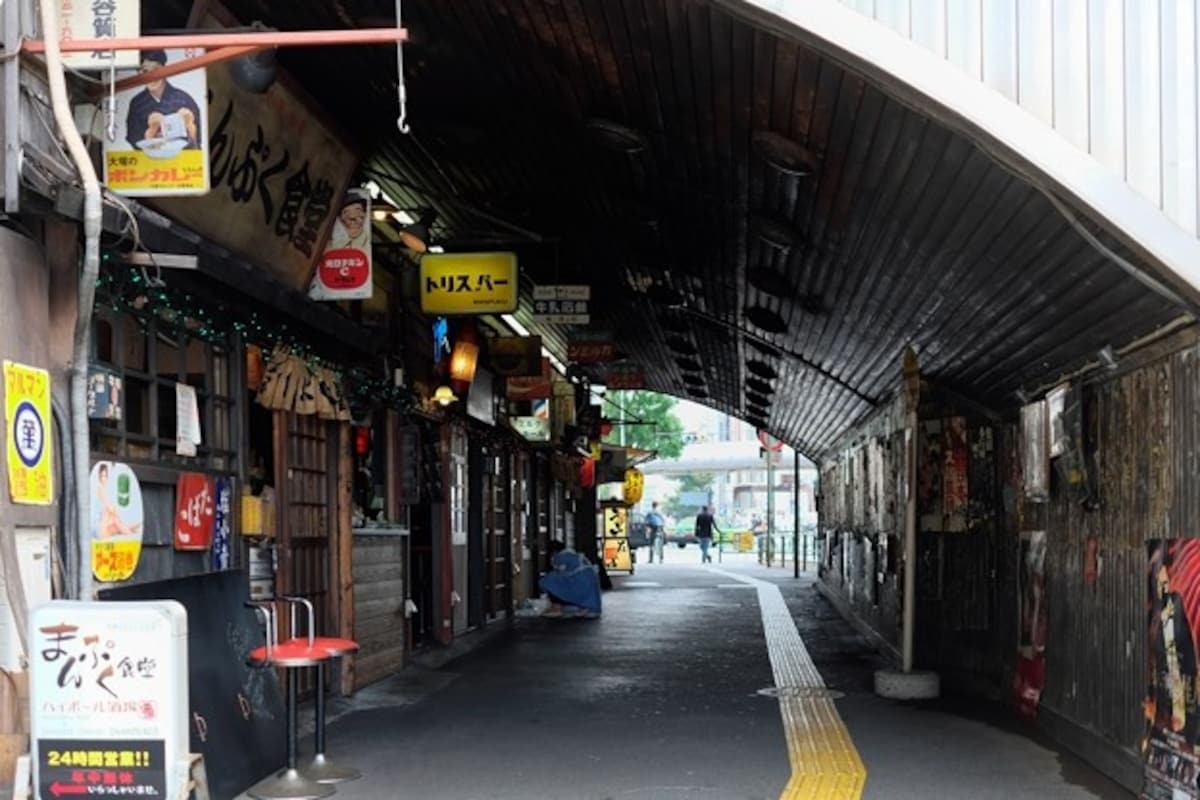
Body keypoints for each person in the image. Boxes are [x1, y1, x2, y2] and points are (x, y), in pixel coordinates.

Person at [125, 50, 201, 150]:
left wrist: (188, 126)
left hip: (182, 162)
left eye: (156, 70)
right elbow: (134, 141)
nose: (151, 77)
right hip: (147, 163)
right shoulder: (136, 104)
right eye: (145, 71)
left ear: (165, 70)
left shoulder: (184, 100)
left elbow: (197, 143)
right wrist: (151, 131)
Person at [539, 540, 601, 618]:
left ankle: (556, 607)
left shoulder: (561, 557)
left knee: (549, 580)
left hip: (581, 581)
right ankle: (587, 608)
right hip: (591, 580)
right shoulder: (573, 554)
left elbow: (560, 573)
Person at [92, 463, 141, 539]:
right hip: (100, 529)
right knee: (111, 514)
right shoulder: (100, 489)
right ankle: (130, 533)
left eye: (105, 476)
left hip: (104, 528)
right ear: (99, 476)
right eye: (102, 476)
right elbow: (110, 508)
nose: (103, 478)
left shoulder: (104, 489)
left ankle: (131, 528)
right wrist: (116, 516)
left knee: (117, 527)